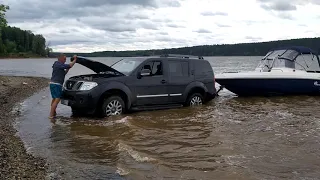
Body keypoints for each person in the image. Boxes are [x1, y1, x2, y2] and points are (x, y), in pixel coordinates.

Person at [49, 54, 77, 119]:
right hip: (56, 84)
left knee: (54, 99)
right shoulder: (58, 64)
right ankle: (51, 115)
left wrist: (68, 69)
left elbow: (64, 74)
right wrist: (75, 60)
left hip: (53, 84)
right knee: (57, 99)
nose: (65, 60)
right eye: (64, 59)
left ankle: (53, 113)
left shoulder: (58, 65)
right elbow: (70, 65)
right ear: (60, 58)